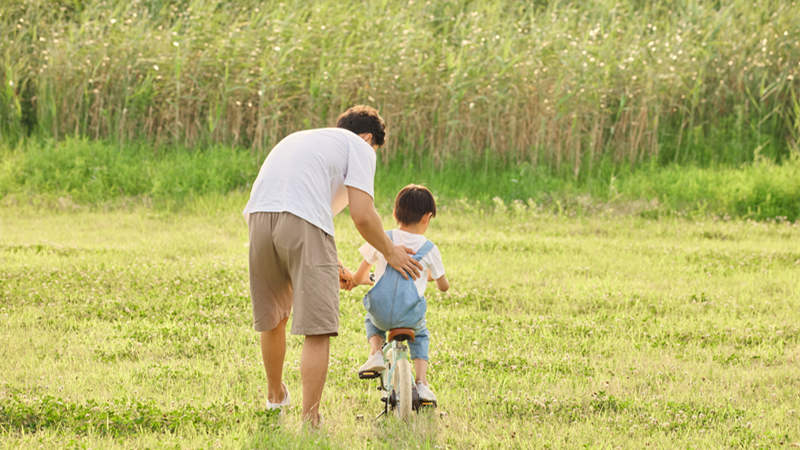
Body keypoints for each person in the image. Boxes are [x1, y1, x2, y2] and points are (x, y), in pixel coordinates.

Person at [242, 105, 423, 427]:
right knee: (317, 327)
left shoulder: (304, 140)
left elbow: (306, 212)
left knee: (273, 318)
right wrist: (391, 252)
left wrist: (332, 263)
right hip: (300, 223)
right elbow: (363, 215)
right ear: (369, 138)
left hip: (257, 219)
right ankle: (310, 418)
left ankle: (274, 398)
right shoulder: (360, 148)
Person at [351, 184, 449, 402]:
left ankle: (376, 352)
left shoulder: (381, 239)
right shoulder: (429, 248)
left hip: (381, 314)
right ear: (427, 217)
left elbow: (358, 277)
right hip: (410, 316)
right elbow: (444, 286)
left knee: (371, 319)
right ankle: (422, 384)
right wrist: (429, 276)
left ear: (394, 213)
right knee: (421, 335)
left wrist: (365, 281)